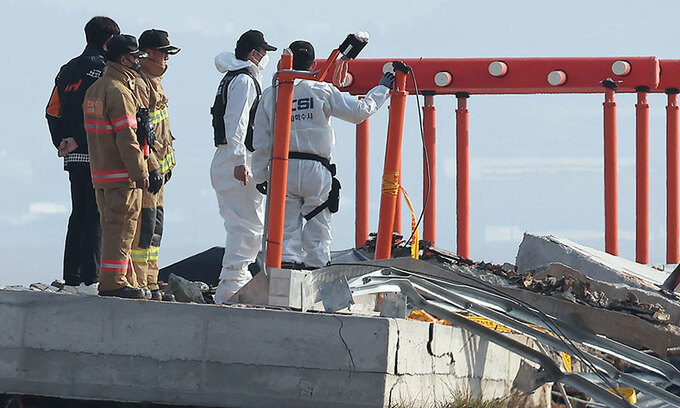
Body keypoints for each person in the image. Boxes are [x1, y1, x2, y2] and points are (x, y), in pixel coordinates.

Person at [252, 40, 394, 269]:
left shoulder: (271, 94)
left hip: (282, 168)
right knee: (318, 229)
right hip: (316, 169)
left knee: (284, 232)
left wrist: (261, 177)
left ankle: (284, 277)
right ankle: (316, 275)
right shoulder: (321, 90)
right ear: (312, 65)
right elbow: (359, 112)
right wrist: (382, 89)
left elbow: (260, 141)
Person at [46, 16, 120, 296]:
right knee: (95, 215)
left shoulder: (66, 69)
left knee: (77, 214)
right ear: (110, 41)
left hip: (71, 154)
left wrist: (62, 142)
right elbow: (96, 109)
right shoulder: (104, 70)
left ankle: (71, 280)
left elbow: (52, 110)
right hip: (95, 150)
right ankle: (91, 280)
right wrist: (78, 139)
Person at [209, 29, 276, 304]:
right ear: (254, 54)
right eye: (263, 53)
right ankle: (232, 285)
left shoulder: (231, 78)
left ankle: (236, 279)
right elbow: (235, 122)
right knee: (247, 225)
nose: (265, 58)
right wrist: (240, 161)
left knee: (242, 222)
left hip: (228, 158)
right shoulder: (246, 82)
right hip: (236, 159)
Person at [84, 34, 152, 299]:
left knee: (112, 226)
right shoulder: (120, 91)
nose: (138, 63)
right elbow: (127, 137)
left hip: (102, 174)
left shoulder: (95, 89)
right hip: (122, 175)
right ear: (125, 59)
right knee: (121, 229)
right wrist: (139, 171)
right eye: (136, 58)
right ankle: (113, 283)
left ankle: (124, 280)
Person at [132, 29, 181, 300]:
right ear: (148, 53)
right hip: (148, 171)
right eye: (163, 53)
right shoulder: (140, 83)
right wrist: (151, 166)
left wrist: (168, 164)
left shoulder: (155, 81)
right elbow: (141, 132)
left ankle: (150, 278)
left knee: (155, 228)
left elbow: (162, 131)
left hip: (160, 171)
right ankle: (139, 278)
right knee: (143, 227)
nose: (166, 59)